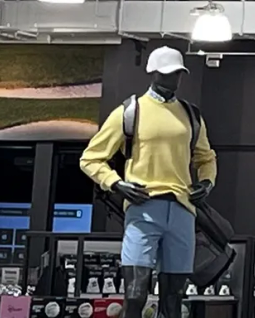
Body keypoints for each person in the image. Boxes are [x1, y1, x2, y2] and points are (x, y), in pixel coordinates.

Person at [81, 46, 217, 318]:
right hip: (143, 209)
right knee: (135, 292)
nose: (173, 79)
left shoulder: (190, 115)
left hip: (182, 210)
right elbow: (90, 158)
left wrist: (207, 182)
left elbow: (206, 157)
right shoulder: (130, 112)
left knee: (175, 296)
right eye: (168, 73)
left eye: (178, 73)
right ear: (153, 73)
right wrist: (116, 183)